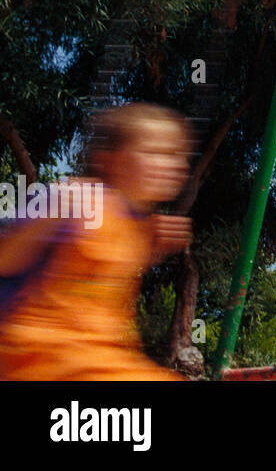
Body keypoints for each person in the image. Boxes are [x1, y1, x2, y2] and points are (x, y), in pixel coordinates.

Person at [0, 102, 194, 380]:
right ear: (108, 160)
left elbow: (97, 282)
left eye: (177, 155)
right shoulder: (77, 199)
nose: (171, 164)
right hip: (41, 357)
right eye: (154, 152)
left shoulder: (134, 229)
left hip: (97, 359)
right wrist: (47, 217)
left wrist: (150, 250)